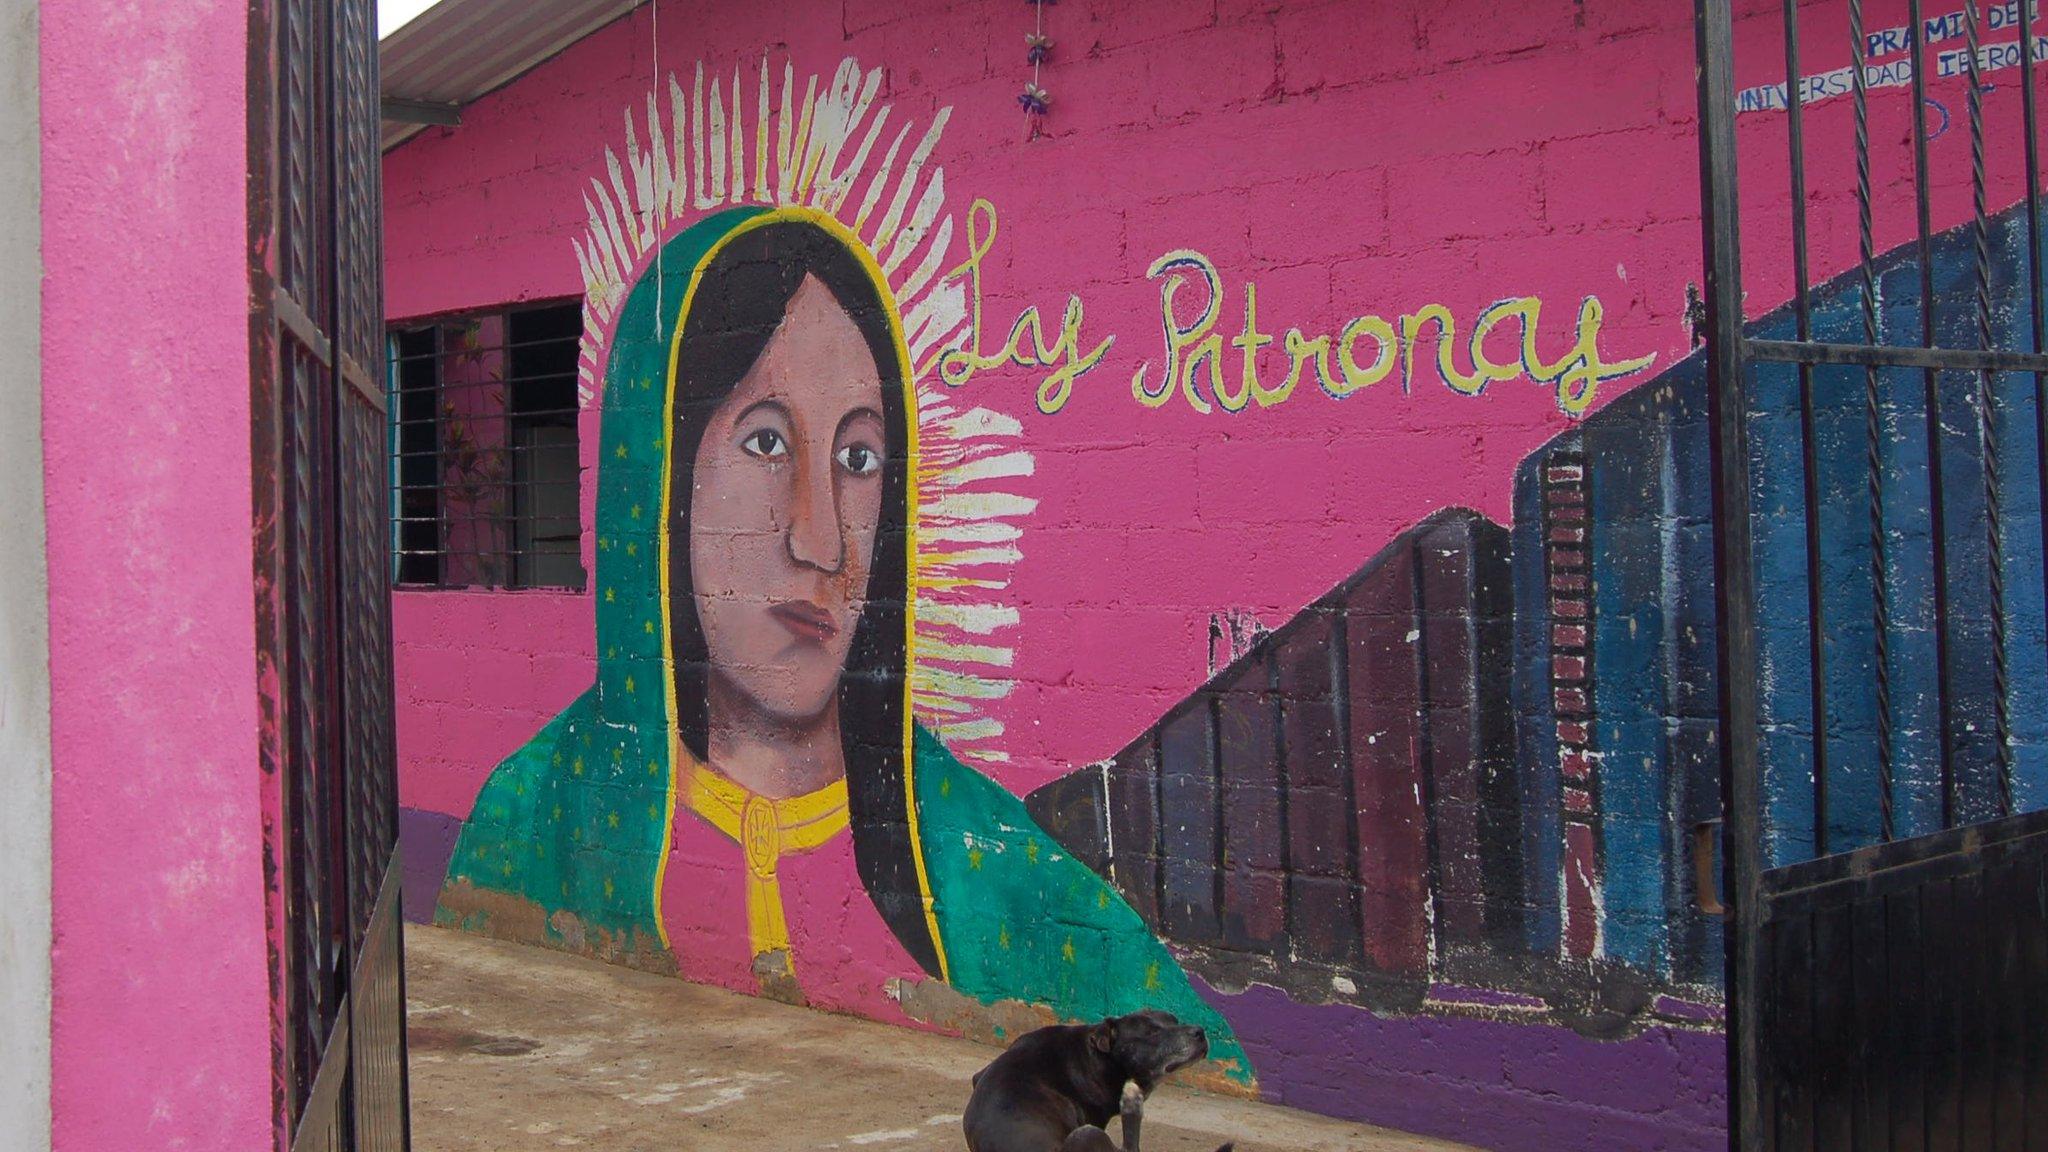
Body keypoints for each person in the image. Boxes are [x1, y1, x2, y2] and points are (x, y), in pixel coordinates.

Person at [437, 205, 1248, 1080]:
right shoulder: (531, 815)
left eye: (860, 460)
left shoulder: (987, 863)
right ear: (660, 476)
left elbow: (1216, 1074)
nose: (820, 542)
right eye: (766, 442)